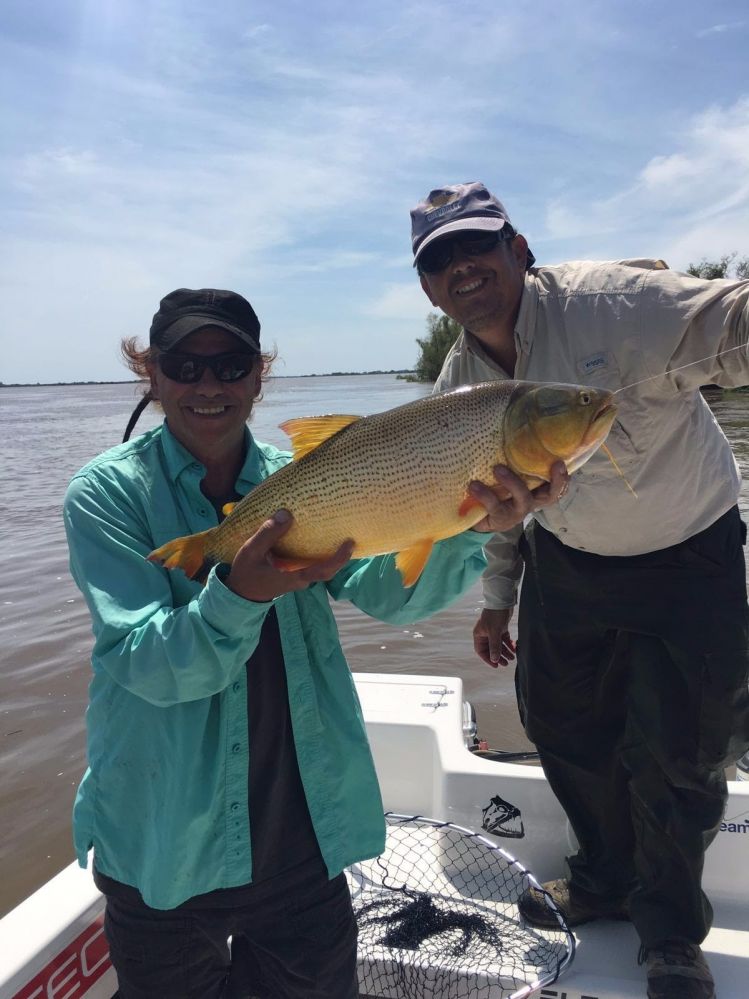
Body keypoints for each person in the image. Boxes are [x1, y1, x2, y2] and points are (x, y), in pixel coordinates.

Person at [63, 286, 567, 999]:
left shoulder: (298, 479)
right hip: (163, 840)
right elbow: (147, 666)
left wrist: (477, 527)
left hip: (301, 839)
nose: (209, 385)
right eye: (185, 364)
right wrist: (239, 595)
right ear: (153, 372)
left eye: (231, 364)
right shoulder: (105, 494)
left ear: (258, 374)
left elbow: (396, 597)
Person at [409, 181, 749, 999]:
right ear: (425, 284)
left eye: (477, 245)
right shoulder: (457, 384)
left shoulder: (614, 302)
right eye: (438, 258)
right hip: (566, 560)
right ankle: (601, 876)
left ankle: (669, 932)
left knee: (682, 752)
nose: (462, 267)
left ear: (517, 248)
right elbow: (494, 512)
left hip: (687, 551)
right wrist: (496, 597)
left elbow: (729, 323)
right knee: (561, 721)